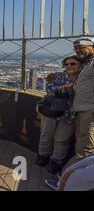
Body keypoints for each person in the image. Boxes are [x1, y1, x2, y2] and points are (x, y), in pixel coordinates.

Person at [46, 37, 94, 190]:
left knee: (85, 150)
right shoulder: (87, 63)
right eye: (76, 48)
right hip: (82, 111)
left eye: (82, 47)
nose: (78, 50)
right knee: (81, 148)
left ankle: (64, 181)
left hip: (90, 112)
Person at [36, 56, 80, 174]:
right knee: (46, 134)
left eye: (73, 64)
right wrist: (69, 87)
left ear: (80, 65)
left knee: (61, 139)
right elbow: (51, 91)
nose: (69, 66)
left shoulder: (84, 79)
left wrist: (65, 87)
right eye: (67, 64)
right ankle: (43, 155)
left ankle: (56, 161)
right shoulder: (57, 75)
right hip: (52, 111)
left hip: (70, 114)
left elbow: (83, 95)